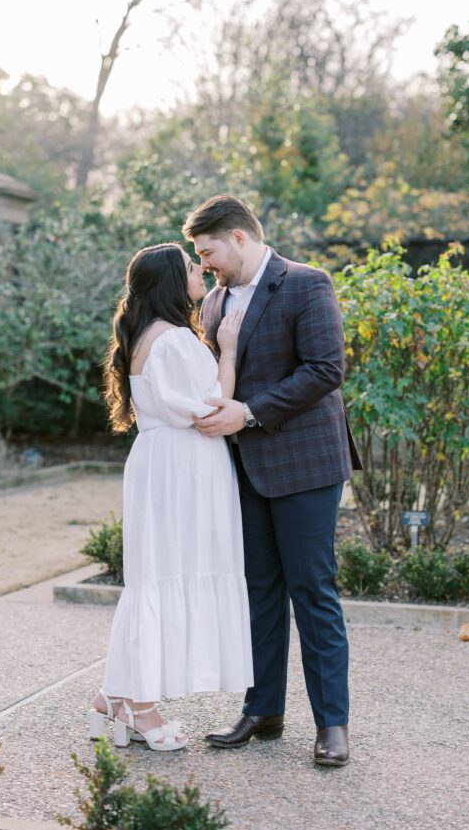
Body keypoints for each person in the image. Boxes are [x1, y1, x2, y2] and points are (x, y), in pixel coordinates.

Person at [183, 194, 362, 768]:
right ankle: (264, 710)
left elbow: (325, 369)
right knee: (258, 590)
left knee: (313, 592)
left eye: (208, 252)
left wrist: (250, 412)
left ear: (239, 237)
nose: (205, 264)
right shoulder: (212, 302)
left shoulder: (307, 284)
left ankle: (332, 724)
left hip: (305, 464)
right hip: (240, 469)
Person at [90, 242, 253, 752]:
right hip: (184, 465)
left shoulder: (144, 335)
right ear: (170, 282)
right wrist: (227, 350)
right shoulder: (177, 340)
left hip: (161, 462)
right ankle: (141, 706)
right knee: (164, 577)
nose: (201, 270)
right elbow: (214, 408)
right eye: (190, 266)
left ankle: (114, 697)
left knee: (154, 578)